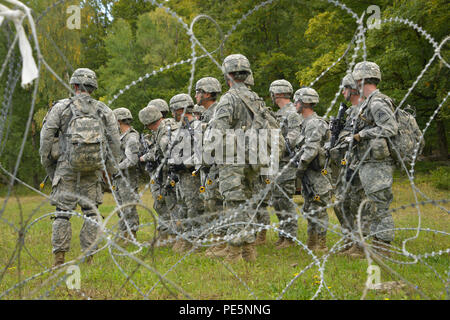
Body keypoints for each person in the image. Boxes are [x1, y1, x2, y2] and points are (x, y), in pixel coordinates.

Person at [40, 68, 121, 267]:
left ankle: (59, 259)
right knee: (92, 213)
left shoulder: (61, 107)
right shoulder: (104, 110)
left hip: (66, 167)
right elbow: (115, 143)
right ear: (93, 87)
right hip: (93, 169)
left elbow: (46, 138)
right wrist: (108, 169)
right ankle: (89, 257)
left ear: (74, 85)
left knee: (62, 213)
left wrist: (49, 165)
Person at [204, 54, 265, 263]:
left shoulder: (228, 99)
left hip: (232, 160)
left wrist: (207, 156)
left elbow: (217, 133)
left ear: (227, 75)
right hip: (253, 160)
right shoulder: (256, 99)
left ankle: (234, 252)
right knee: (246, 203)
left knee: (233, 204)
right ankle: (249, 251)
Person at [350, 61, 398, 257]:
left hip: (379, 163)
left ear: (361, 80)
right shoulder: (369, 102)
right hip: (370, 161)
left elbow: (390, 128)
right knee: (374, 203)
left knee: (380, 205)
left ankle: (383, 248)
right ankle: (378, 245)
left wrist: (363, 135)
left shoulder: (377, 102)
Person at [294, 87, 332, 253]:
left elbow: (311, 149)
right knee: (310, 208)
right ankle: (312, 243)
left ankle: (321, 244)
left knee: (319, 208)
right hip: (310, 174)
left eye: (297, 101)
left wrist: (299, 168)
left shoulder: (314, 123)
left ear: (304, 103)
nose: (295, 104)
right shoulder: (306, 123)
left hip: (317, 174)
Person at [168, 93, 205, 253]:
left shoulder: (198, 127)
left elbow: (202, 152)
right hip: (181, 176)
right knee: (183, 207)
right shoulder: (180, 129)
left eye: (174, 110)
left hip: (192, 174)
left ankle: (198, 241)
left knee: (194, 208)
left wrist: (184, 164)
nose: (172, 114)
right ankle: (187, 238)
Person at [269, 79, 303, 249]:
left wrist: (279, 148)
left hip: (286, 162)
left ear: (276, 93)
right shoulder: (278, 113)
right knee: (277, 200)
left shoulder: (292, 113)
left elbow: (294, 134)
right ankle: (283, 234)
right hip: (277, 163)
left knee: (285, 199)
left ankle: (290, 237)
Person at [139, 102, 179, 247]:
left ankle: (175, 238)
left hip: (170, 174)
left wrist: (169, 178)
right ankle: (170, 236)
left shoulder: (165, 134)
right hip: (167, 174)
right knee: (167, 204)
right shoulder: (166, 129)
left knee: (173, 205)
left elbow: (169, 158)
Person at [112, 107, 141, 243]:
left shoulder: (131, 137)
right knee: (121, 208)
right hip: (119, 178)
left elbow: (132, 160)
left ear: (119, 121)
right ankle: (124, 233)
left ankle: (132, 235)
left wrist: (116, 167)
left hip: (128, 178)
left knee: (129, 208)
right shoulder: (120, 137)